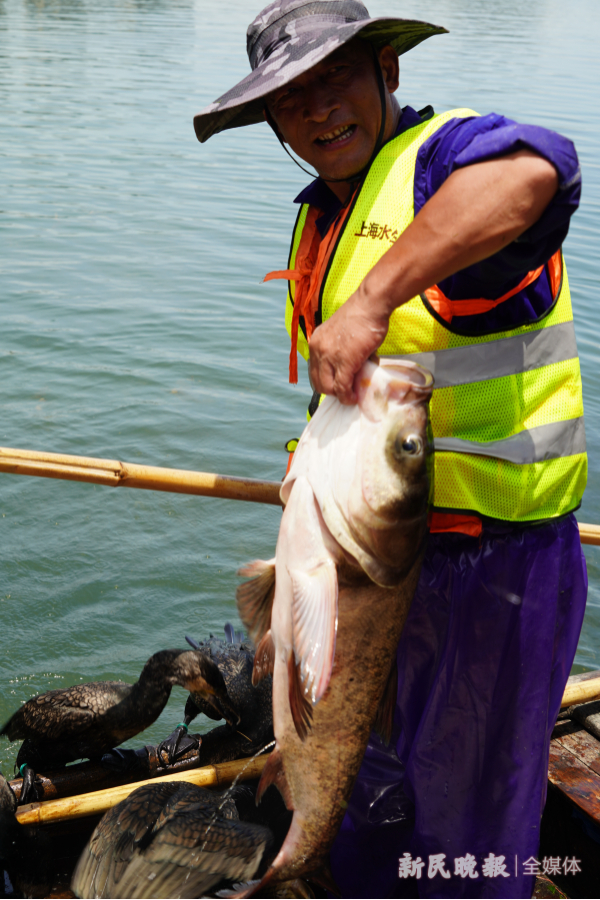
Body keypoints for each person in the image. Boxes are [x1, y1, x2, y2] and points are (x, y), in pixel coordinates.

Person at [193, 2, 588, 897]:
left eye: (336, 78)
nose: (318, 109)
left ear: (390, 72)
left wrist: (371, 301)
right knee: (371, 803)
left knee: (471, 826)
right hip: (377, 566)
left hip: (495, 577)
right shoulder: (321, 219)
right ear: (271, 119)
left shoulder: (446, 163)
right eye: (291, 97)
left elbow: (540, 170)